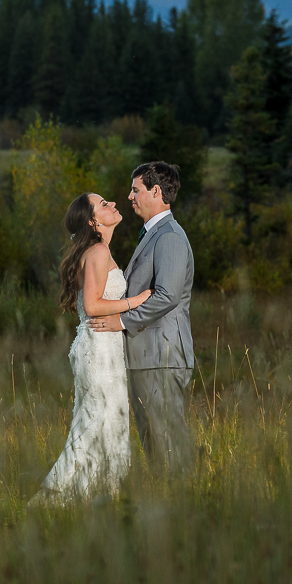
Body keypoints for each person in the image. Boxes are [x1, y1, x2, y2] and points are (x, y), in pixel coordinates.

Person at [31, 192, 152, 504]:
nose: (112, 204)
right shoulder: (97, 251)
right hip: (98, 349)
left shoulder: (98, 250)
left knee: (107, 424)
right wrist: (135, 302)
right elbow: (93, 304)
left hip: (101, 348)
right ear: (92, 221)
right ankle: (54, 499)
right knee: (94, 425)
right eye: (103, 204)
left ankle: (101, 499)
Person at [91, 161, 196, 473]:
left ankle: (185, 506)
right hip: (146, 358)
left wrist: (121, 322)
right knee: (155, 445)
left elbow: (167, 295)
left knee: (170, 445)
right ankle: (167, 507)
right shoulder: (153, 234)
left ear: (156, 191)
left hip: (161, 356)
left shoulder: (170, 237)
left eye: (135, 190)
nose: (129, 196)